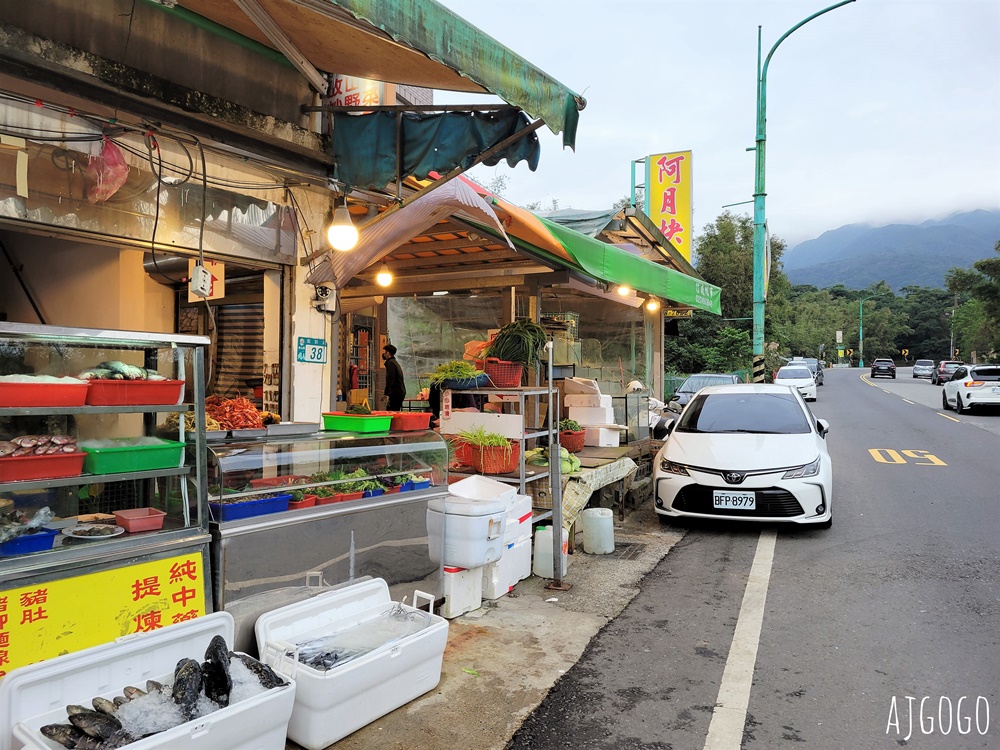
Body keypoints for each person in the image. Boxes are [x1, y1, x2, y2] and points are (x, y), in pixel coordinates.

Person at [381, 344, 406, 411]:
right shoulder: (394, 362)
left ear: (388, 353)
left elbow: (390, 379)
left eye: (384, 352)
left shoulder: (391, 363)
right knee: (395, 410)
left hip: (396, 393)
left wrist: (386, 394)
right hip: (399, 392)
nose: (383, 354)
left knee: (391, 411)